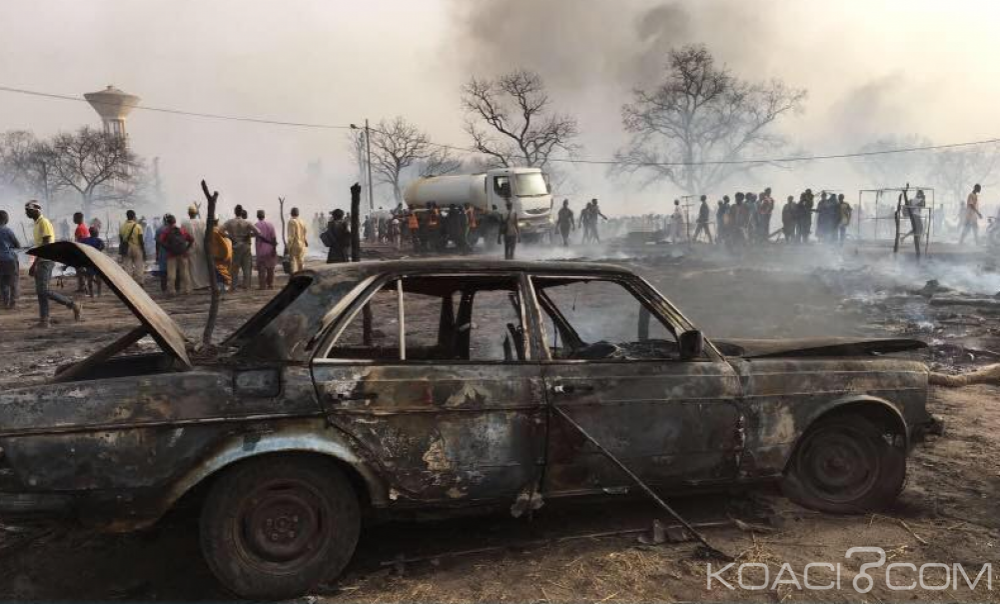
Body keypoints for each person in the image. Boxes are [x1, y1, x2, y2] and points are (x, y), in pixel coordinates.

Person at [25, 201, 82, 327]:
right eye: (26, 210)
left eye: (28, 209)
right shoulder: (37, 224)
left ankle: (72, 304)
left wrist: (34, 264)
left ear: (37, 209)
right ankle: (44, 320)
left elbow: (46, 245)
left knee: (43, 291)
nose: (26, 212)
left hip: (46, 261)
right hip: (42, 260)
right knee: (41, 292)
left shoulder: (44, 222)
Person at [223, 205, 258, 292]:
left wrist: (229, 236)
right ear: (242, 212)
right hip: (246, 246)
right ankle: (246, 287)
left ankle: (233, 287)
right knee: (246, 268)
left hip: (235, 246)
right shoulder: (247, 223)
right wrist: (249, 235)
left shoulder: (229, 222)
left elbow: (220, 230)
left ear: (235, 212)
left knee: (234, 268)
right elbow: (258, 232)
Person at [157, 214, 193, 296]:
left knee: (171, 273)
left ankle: (172, 291)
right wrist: (186, 249)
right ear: (175, 221)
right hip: (183, 254)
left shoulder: (166, 231)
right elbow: (191, 239)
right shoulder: (182, 230)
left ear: (167, 222)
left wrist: (168, 248)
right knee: (184, 272)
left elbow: (160, 241)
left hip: (171, 255)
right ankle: (187, 289)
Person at [181, 204, 210, 290]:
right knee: (202, 266)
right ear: (196, 213)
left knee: (193, 266)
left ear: (188, 213)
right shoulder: (202, 222)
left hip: (190, 247)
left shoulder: (184, 223)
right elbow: (206, 234)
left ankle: (195, 285)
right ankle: (204, 283)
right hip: (201, 246)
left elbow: (182, 237)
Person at [119, 209, 145, 284]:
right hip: (136, 248)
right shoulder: (138, 226)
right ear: (134, 216)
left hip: (126, 248)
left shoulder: (122, 227)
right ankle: (140, 283)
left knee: (127, 267)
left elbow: (121, 240)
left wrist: (122, 250)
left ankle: (129, 283)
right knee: (139, 266)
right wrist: (143, 251)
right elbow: (141, 240)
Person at [0, 210, 20, 309]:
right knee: (13, 281)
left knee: (2, 282)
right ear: (6, 219)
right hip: (9, 259)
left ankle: (5, 302)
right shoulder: (8, 230)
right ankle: (13, 302)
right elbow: (17, 244)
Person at [254, 210, 279, 289]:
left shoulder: (256, 225)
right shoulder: (270, 225)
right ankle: (270, 284)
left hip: (260, 250)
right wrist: (274, 249)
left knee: (262, 270)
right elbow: (274, 238)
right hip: (270, 249)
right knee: (271, 268)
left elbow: (254, 235)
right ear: (264, 216)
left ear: (257, 216)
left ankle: (262, 286)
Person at [208, 217, 233, 291]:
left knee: (218, 270)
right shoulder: (221, 229)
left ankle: (221, 286)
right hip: (227, 252)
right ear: (217, 221)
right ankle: (225, 285)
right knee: (224, 269)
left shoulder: (212, 231)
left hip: (218, 254)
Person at [79, 226, 105, 297]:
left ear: (90, 232)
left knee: (90, 277)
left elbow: (80, 246)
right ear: (96, 233)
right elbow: (102, 247)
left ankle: (91, 294)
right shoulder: (99, 241)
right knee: (98, 277)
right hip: (97, 261)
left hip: (89, 261)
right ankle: (99, 293)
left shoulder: (85, 240)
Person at [287, 207, 308, 273]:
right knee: (301, 263)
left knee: (293, 264)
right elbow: (305, 233)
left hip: (295, 246)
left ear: (291, 214)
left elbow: (291, 236)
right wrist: (305, 242)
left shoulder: (292, 221)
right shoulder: (302, 221)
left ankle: (294, 279)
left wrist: (288, 247)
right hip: (302, 245)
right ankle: (301, 279)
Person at [72, 212, 89, 292]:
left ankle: (82, 287)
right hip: (83, 250)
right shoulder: (83, 227)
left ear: (79, 218)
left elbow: (81, 240)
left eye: (74, 218)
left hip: (81, 251)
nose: (73, 219)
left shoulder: (80, 228)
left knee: (80, 270)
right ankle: (82, 286)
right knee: (81, 270)